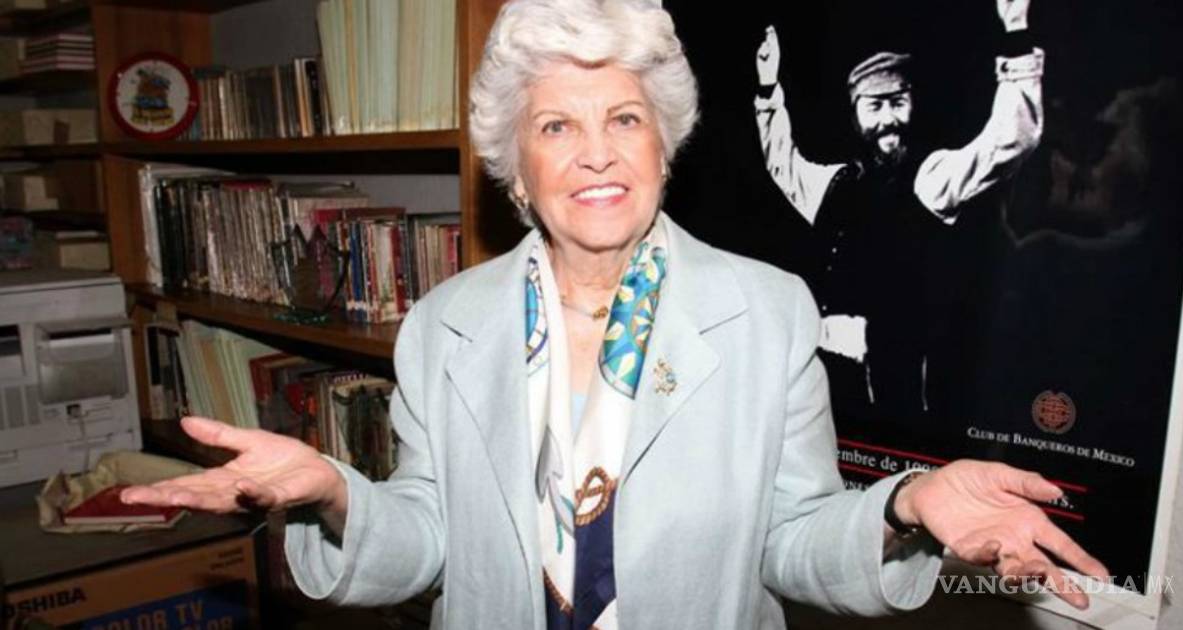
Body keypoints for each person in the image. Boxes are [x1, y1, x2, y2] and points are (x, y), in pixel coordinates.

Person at [123, 1, 1106, 628]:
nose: (596, 152)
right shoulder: (443, 326)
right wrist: (335, 496)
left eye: (624, 118)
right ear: (516, 166)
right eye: (557, 124)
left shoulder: (767, 313)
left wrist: (901, 508)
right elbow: (423, 541)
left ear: (661, 145)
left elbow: (791, 540)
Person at [754, 0, 1044, 423]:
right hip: (824, 386)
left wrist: (1016, 36)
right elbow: (782, 163)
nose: (888, 119)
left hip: (893, 393)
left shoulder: (932, 177)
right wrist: (768, 89)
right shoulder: (835, 182)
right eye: (875, 107)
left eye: (898, 103)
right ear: (855, 114)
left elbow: (1009, 141)